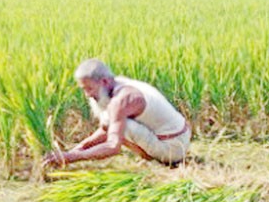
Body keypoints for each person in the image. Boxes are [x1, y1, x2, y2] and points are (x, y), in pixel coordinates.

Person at [43, 59, 190, 167]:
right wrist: (76, 150)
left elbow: (113, 146)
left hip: (173, 149)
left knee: (124, 126)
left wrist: (73, 157)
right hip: (180, 136)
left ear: (105, 81)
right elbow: (106, 129)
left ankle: (157, 162)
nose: (87, 95)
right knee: (115, 123)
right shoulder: (118, 84)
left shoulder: (121, 101)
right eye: (83, 89)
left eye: (89, 88)